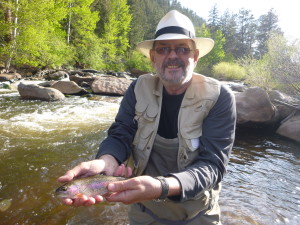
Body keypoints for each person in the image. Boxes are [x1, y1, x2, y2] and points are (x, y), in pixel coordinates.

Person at [58, 10, 236, 225]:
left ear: (195, 57)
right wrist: (106, 161)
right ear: (153, 57)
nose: (172, 56)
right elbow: (121, 133)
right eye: (163, 49)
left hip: (197, 213)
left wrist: (161, 187)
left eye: (182, 49)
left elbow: (213, 166)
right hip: (143, 211)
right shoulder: (137, 88)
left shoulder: (219, 96)